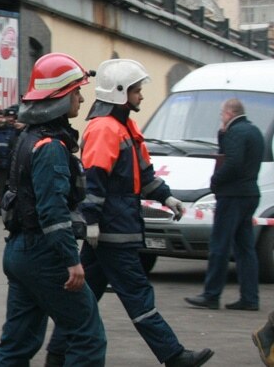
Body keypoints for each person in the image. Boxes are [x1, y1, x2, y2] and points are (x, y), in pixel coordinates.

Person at [48, 58, 213, 367]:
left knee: (82, 299)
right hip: (113, 232)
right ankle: (174, 356)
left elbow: (144, 175)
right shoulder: (105, 129)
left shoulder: (124, 127)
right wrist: (92, 222)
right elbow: (95, 180)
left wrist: (168, 198)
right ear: (120, 92)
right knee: (137, 294)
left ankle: (56, 355)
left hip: (115, 228)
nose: (141, 95)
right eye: (137, 90)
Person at [0, 53, 106, 367]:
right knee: (87, 335)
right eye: (76, 92)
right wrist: (71, 260)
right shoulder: (52, 147)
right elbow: (53, 211)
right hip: (44, 254)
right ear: (59, 97)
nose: (82, 99)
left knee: (17, 344)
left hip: (19, 251)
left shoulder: (28, 138)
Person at [185, 97, 263, 311]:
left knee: (220, 245)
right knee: (245, 248)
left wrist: (215, 181)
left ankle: (211, 294)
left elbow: (232, 162)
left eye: (222, 114)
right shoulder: (254, 131)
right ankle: (250, 298)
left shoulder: (235, 132)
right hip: (249, 194)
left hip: (232, 195)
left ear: (229, 113)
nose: (221, 117)